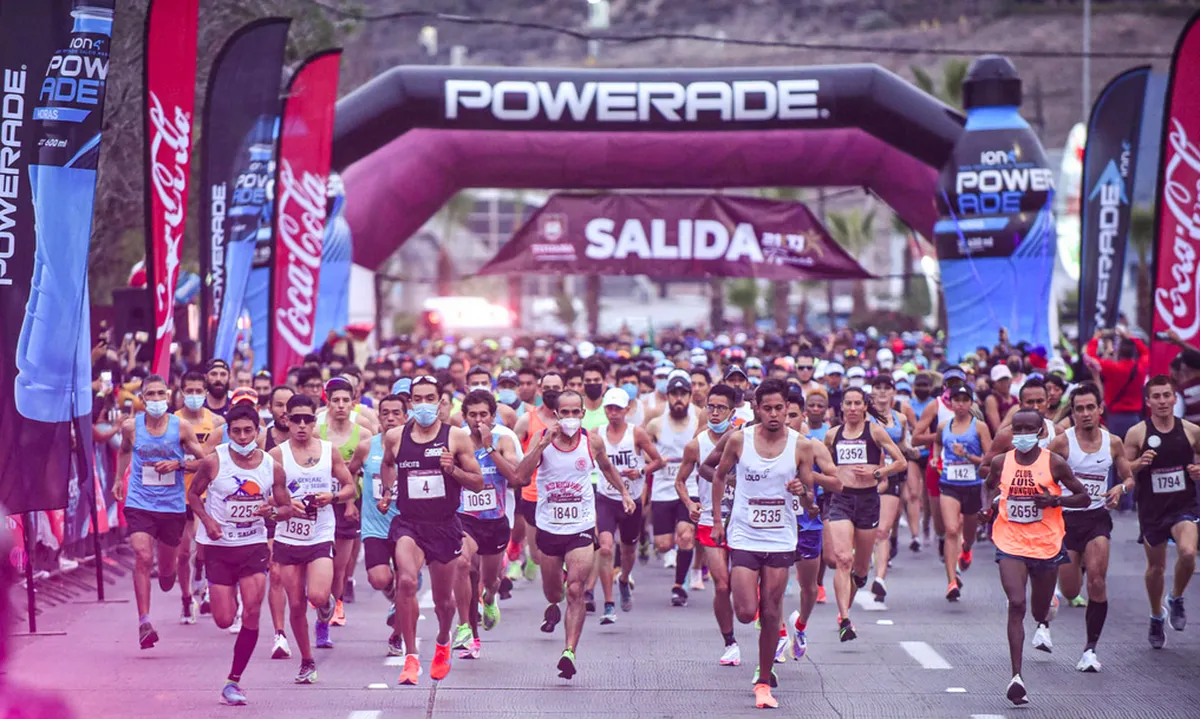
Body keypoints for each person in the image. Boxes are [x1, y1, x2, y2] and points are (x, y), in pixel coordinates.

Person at [513, 389, 635, 680]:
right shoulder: (544, 441)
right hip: (548, 529)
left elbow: (607, 468)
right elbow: (519, 476)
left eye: (574, 412)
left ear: (582, 413)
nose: (569, 418)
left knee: (576, 589)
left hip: (580, 527)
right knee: (554, 592)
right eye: (563, 412)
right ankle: (553, 606)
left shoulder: (592, 442)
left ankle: (569, 651)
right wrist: (541, 445)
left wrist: (624, 493)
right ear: (556, 415)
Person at [710, 379, 815, 709]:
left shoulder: (801, 446)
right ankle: (760, 625)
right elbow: (717, 474)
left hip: (780, 536)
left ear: (787, 409)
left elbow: (812, 501)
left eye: (779, 408)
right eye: (766, 408)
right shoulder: (739, 440)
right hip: (744, 532)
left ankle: (764, 681)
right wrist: (716, 519)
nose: (773, 414)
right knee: (745, 612)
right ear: (756, 408)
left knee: (770, 612)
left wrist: (804, 492)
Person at [379, 375, 485, 685]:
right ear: (410, 402)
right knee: (407, 582)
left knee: (445, 603)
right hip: (409, 524)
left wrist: (453, 470)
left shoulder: (456, 438)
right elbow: (388, 464)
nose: (424, 404)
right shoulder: (396, 437)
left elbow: (477, 482)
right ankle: (411, 657)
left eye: (430, 398)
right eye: (418, 398)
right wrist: (387, 491)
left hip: (444, 525)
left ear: (440, 402)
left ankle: (442, 641)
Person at [984, 408, 1090, 705]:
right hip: (1010, 541)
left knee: (1037, 611)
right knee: (1016, 603)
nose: (1022, 435)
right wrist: (987, 508)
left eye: (1028, 429)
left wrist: (1055, 500)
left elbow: (1083, 497)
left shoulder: (1054, 464)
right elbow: (989, 486)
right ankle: (1016, 677)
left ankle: (1047, 606)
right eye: (1017, 430)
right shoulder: (1001, 462)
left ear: (1041, 431)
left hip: (1046, 545)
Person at [187, 404, 288, 705]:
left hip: (253, 545)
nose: (243, 437)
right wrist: (207, 521)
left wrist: (272, 511)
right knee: (223, 619)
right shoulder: (213, 462)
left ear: (258, 431)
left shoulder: (272, 466)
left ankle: (234, 681)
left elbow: (285, 508)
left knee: (253, 610)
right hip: (218, 548)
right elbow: (193, 495)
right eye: (236, 432)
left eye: (248, 431)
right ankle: (210, 591)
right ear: (228, 433)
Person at [113, 374, 208, 649]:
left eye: (160, 394)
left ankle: (170, 580)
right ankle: (144, 622)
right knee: (142, 555)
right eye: (150, 394)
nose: (156, 399)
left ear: (168, 397)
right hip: (140, 502)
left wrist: (177, 465)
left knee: (167, 575)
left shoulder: (182, 428)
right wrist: (120, 479)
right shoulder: (131, 427)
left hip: (171, 506)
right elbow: (124, 451)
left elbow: (204, 462)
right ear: (142, 399)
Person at [268, 393, 357, 684]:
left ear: (314, 420)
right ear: (287, 421)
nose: (303, 425)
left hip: (319, 533)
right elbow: (264, 495)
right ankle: (307, 661)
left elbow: (349, 487)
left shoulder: (329, 451)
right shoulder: (277, 455)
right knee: (295, 604)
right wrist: (283, 506)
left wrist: (333, 497)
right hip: (287, 537)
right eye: (297, 420)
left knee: (316, 597)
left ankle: (327, 603)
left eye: (309, 419)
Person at [1046, 382, 1132, 671]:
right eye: (1079, 409)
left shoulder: (1113, 442)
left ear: (1100, 409)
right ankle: (1058, 595)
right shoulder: (1062, 442)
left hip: (1097, 519)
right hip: (1067, 521)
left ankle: (1090, 650)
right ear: (1073, 412)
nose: (1085, 414)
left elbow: (1129, 477)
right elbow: (1041, 474)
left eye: (1090, 408)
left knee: (1096, 580)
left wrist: (1120, 488)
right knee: (1071, 590)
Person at [1123, 374, 1200, 649]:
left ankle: (1176, 597)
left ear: (1174, 397)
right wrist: (1139, 464)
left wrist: (1198, 469)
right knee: (1156, 568)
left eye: (1167, 395)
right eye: (1156, 396)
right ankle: (1157, 614)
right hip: (1152, 509)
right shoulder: (1137, 433)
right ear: (1148, 401)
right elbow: (1124, 468)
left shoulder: (1191, 430)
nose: (1163, 401)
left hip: (1183, 505)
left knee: (1189, 553)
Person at [825, 388, 907, 642]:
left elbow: (900, 462)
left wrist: (876, 474)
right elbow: (826, 465)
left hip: (868, 500)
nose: (851, 407)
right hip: (841, 500)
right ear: (842, 408)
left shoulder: (875, 431)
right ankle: (845, 617)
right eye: (847, 403)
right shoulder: (832, 435)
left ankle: (848, 602)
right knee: (842, 558)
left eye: (856, 403)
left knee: (860, 570)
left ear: (864, 406)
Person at [452, 389, 521, 657]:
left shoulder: (503, 440)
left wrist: (490, 446)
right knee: (464, 564)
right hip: (465, 519)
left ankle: (490, 599)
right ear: (465, 416)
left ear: (493, 416)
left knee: (489, 581)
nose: (478, 420)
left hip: (495, 522)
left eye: (483, 414)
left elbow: (514, 475)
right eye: (472, 415)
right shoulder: (458, 441)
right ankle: (468, 630)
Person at [678, 383, 740, 664]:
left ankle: (769, 625)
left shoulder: (745, 439)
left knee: (745, 588)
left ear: (733, 411)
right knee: (722, 585)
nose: (715, 413)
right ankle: (730, 642)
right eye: (711, 407)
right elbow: (680, 480)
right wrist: (690, 504)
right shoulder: (696, 444)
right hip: (708, 521)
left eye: (721, 408)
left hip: (743, 521)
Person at [596, 388, 663, 621]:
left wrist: (641, 471)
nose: (613, 413)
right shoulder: (597, 435)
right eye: (609, 408)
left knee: (627, 549)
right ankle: (608, 603)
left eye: (617, 409)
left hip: (632, 501)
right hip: (605, 498)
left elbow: (658, 460)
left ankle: (624, 579)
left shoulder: (636, 434)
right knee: (605, 547)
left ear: (627, 410)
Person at [316, 378, 371, 631]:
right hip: (320, 504)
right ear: (327, 401)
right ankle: (321, 605)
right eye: (335, 400)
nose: (340, 405)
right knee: (320, 563)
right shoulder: (318, 434)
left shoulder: (364, 435)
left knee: (339, 567)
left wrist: (354, 502)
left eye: (345, 401)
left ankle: (335, 604)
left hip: (350, 505)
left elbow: (367, 474)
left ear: (354, 403)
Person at [174, 370, 225, 624]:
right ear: (181, 392)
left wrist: (188, 464)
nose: (194, 395)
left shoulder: (215, 422)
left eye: (198, 391)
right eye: (189, 391)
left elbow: (214, 459)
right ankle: (186, 599)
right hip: (178, 493)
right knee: (183, 552)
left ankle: (202, 577)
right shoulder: (172, 421)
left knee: (202, 543)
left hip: (206, 490)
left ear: (205, 393)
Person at [931, 385, 992, 601]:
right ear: (950, 402)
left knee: (968, 534)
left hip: (973, 485)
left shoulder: (980, 427)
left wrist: (967, 456)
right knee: (950, 529)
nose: (960, 404)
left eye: (965, 400)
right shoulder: (943, 426)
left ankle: (966, 549)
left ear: (971, 403)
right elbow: (937, 442)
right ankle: (951, 581)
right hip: (949, 483)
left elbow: (989, 459)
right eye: (956, 400)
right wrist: (935, 457)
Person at [646, 373, 701, 603]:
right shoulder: (656, 424)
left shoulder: (699, 420)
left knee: (686, 537)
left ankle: (679, 585)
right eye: (674, 394)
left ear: (689, 396)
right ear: (667, 396)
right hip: (662, 489)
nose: (679, 399)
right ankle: (677, 556)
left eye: (683, 394)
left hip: (689, 488)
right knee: (664, 544)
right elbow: (642, 452)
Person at [866, 375, 912, 603]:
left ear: (894, 392)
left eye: (887, 388)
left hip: (891, 476)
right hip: (866, 478)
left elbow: (903, 445)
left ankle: (880, 579)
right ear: (872, 391)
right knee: (865, 530)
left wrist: (910, 451)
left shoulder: (900, 419)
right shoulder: (863, 416)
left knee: (883, 530)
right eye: (878, 388)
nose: (883, 392)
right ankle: (862, 563)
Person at [263, 384, 295, 659]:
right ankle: (279, 635)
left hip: (309, 518)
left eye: (289, 406)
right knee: (275, 572)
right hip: (275, 514)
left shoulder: (314, 439)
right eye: (278, 405)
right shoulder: (263, 439)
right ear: (270, 407)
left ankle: (322, 605)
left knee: (305, 583)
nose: (284, 411)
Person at [1085, 327, 1149, 440]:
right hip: (1135, 417)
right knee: (1133, 450)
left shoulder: (1112, 368)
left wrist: (1095, 339)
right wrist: (1131, 338)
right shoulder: (1140, 368)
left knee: (1114, 452)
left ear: (1119, 351)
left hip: (1114, 417)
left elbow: (1090, 358)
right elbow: (1146, 352)